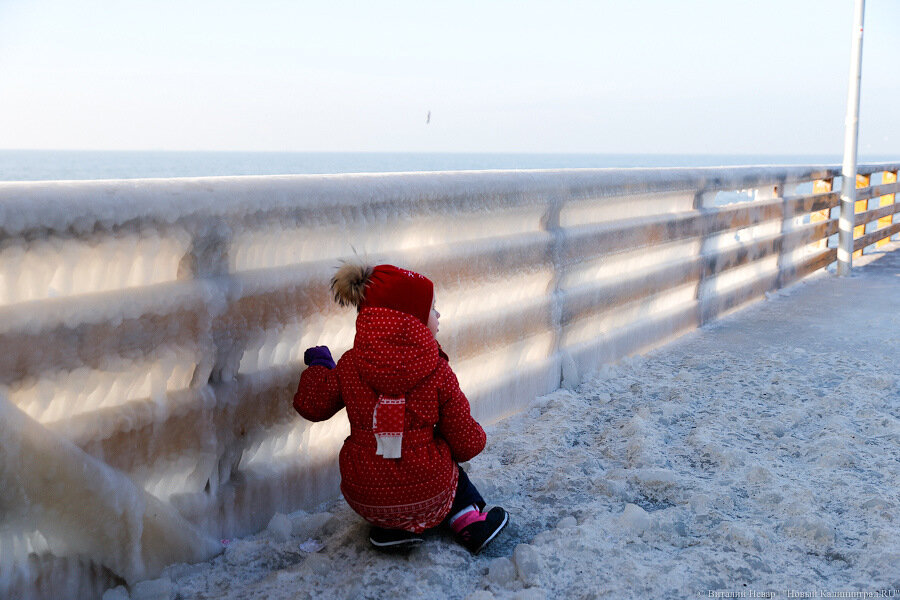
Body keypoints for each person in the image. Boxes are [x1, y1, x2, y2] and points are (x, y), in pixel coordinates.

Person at [293, 263, 509, 553]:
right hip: (428, 491)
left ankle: (389, 530)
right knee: (448, 469)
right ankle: (469, 520)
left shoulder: (349, 365)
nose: (438, 315)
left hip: (365, 496)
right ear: (411, 319)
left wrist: (320, 366)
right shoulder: (437, 371)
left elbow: (313, 405)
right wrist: (475, 438)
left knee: (384, 476)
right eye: (433, 309)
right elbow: (465, 443)